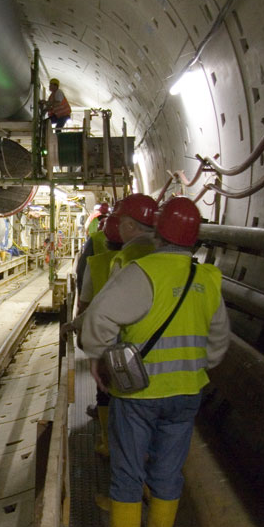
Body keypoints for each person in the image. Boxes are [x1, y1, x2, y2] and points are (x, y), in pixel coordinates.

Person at [80, 197, 230, 527]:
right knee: (167, 474)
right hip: (187, 395)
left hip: (139, 395)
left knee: (128, 474)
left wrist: (101, 355)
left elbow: (97, 320)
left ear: (159, 232)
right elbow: (218, 342)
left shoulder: (142, 272)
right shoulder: (207, 277)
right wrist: (191, 367)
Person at [74, 195, 158, 458]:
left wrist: (85, 337)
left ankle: (108, 442)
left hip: (115, 341)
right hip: (155, 351)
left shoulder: (111, 263)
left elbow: (88, 299)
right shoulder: (165, 263)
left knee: (110, 393)